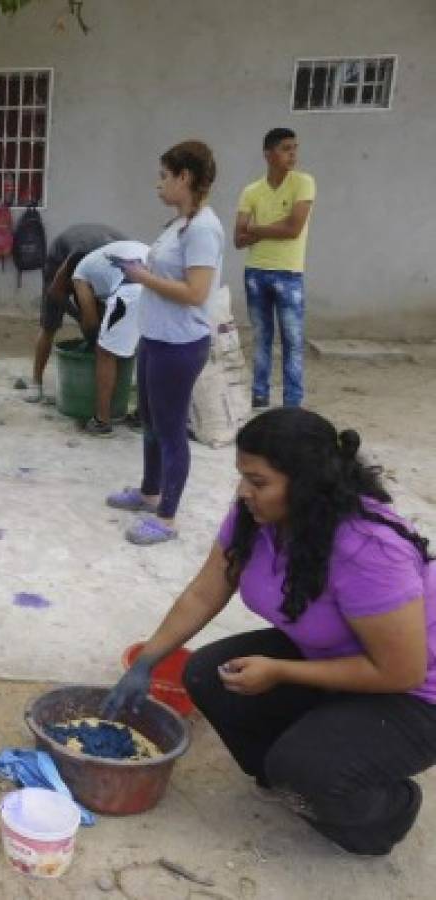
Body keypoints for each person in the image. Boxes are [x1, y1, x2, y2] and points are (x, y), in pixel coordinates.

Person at [104, 408, 436, 856]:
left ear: (306, 484)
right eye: (243, 477)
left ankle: (387, 812)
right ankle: (292, 776)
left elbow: (402, 672)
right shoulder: (257, 518)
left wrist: (281, 671)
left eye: (258, 482)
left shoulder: (369, 550)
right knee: (206, 673)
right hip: (331, 656)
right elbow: (205, 593)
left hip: (414, 695)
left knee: (308, 769)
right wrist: (148, 660)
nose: (243, 493)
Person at [107, 141, 223, 545]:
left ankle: (167, 518)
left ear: (184, 177)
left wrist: (142, 277)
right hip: (156, 338)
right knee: (152, 423)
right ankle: (149, 491)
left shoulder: (204, 229)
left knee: (171, 429)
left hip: (180, 344)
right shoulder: (179, 224)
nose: (158, 184)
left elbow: (196, 292)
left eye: (164, 176)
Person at [235, 127, 316, 409]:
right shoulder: (251, 191)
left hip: (289, 273)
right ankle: (260, 394)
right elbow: (238, 238)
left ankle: (292, 402)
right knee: (261, 338)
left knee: (292, 340)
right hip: (255, 272)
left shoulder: (303, 183)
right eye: (285, 148)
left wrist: (256, 229)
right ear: (268, 154)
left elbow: (293, 228)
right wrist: (270, 229)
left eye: (294, 148)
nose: (292, 154)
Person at [29, 223, 128, 404]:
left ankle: (110, 381)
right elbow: (56, 292)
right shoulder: (80, 256)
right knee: (49, 325)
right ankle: (36, 383)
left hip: (100, 257)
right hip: (62, 259)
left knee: (104, 326)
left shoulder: (128, 259)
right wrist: (79, 316)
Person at [66, 240, 150, 436]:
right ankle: (144, 415)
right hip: (163, 285)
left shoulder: (79, 274)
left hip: (132, 290)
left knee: (105, 352)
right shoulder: (104, 256)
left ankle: (101, 421)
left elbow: (90, 320)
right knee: (149, 349)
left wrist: (93, 339)